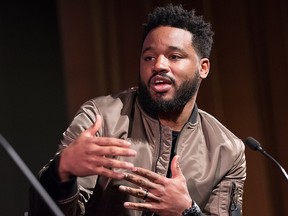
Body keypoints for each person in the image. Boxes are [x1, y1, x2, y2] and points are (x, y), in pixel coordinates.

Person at [29, 4, 246, 216]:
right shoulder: (101, 117)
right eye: (148, 57)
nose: (158, 65)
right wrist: (62, 171)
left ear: (203, 68)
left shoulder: (227, 150)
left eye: (174, 56)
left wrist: (186, 211)